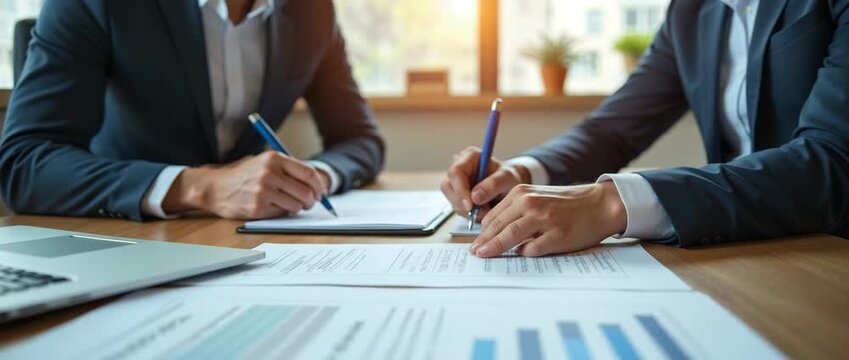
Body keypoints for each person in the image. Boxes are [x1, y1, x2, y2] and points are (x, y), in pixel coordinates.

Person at [442, 0, 849, 258]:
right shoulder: (692, 11)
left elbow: (834, 159)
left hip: (828, 253)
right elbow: (615, 128)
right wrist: (522, 171)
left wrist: (613, 203)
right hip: (743, 251)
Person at [0, 0, 384, 221]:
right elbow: (24, 163)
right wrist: (198, 187)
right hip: (127, 238)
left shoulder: (311, 10)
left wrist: (313, 178)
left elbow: (359, 138)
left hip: (249, 247)